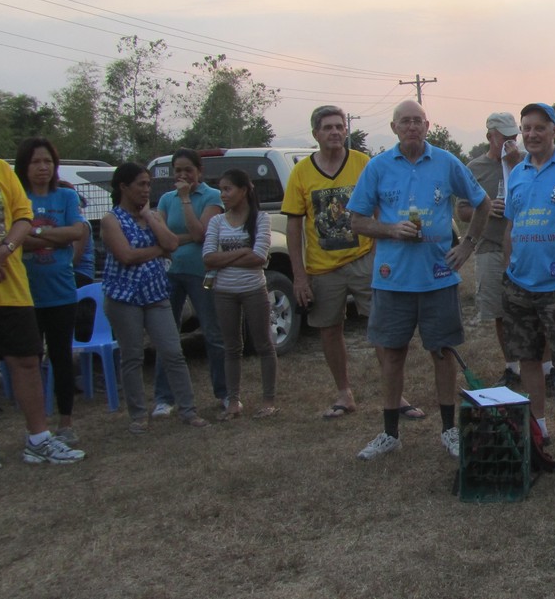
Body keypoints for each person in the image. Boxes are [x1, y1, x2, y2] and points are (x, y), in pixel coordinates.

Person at [347, 100, 490, 460]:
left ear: (427, 126)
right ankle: (389, 434)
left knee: (442, 353)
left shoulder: (446, 162)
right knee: (392, 354)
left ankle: (449, 430)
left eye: (417, 121)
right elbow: (357, 220)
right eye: (405, 121)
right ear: (394, 128)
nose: (411, 127)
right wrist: (391, 229)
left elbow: (483, 203)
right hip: (392, 279)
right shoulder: (378, 167)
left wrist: (468, 245)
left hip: (438, 278)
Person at [283, 105, 427, 420]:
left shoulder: (364, 163)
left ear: (346, 130)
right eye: (328, 127)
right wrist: (299, 276)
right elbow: (294, 226)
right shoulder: (301, 173)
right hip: (323, 267)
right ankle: (343, 393)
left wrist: (384, 252)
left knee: (382, 327)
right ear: (315, 134)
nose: (335, 132)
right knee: (329, 330)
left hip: (365, 260)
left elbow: (381, 210)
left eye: (339, 126)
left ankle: (396, 396)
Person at [102, 162, 209, 433]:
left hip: (156, 295)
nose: (146, 189)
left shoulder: (152, 216)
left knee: (173, 352)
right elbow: (126, 256)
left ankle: (188, 410)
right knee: (132, 357)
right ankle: (138, 415)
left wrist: (151, 219)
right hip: (124, 298)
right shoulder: (111, 220)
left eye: (149, 184)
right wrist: (157, 251)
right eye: (141, 184)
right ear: (123, 187)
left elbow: (171, 244)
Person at [0, 155, 85, 467]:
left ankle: (38, 440)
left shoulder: (0, 169)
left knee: (27, 361)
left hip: (11, 288)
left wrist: (4, 251)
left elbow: (23, 218)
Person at [502, 102, 555, 445]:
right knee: (528, 357)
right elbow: (511, 225)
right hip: (520, 285)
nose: (532, 134)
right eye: (526, 128)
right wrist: (508, 267)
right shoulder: (517, 173)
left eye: (539, 128)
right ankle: (538, 426)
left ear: (554, 129)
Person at [14, 138, 91, 446]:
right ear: (25, 166)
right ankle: (37, 426)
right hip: (24, 293)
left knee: (61, 357)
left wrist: (34, 232)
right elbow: (15, 239)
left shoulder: (66, 196)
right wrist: (53, 236)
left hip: (61, 290)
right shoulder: (18, 197)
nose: (43, 167)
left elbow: (77, 231)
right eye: (36, 162)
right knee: (29, 360)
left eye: (47, 161)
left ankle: (66, 422)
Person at [152, 148, 226, 418]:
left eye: (188, 170)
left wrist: (185, 200)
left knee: (212, 333)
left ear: (199, 171)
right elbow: (160, 237)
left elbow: (200, 234)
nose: (182, 175)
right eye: (178, 170)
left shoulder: (212, 196)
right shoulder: (165, 199)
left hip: (201, 272)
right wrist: (175, 240)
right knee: (167, 335)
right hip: (171, 272)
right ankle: (164, 397)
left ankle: (225, 392)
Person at [455, 112, 523, 388]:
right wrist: (486, 208)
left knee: (533, 309)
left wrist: (516, 164)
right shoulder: (475, 167)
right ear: (490, 137)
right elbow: (462, 211)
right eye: (504, 137)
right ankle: (512, 368)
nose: (509, 142)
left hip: (524, 247)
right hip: (490, 247)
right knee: (500, 310)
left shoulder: (525, 161)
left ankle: (546, 368)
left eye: (513, 137)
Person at [204, 169, 279, 419]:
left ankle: (268, 400)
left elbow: (259, 256)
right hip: (224, 291)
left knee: (264, 344)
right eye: (221, 189)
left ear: (244, 190)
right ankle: (233, 401)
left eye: (228, 189)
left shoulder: (261, 219)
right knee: (232, 347)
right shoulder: (217, 222)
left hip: (254, 289)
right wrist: (242, 252)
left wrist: (224, 258)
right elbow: (208, 258)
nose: (223, 194)